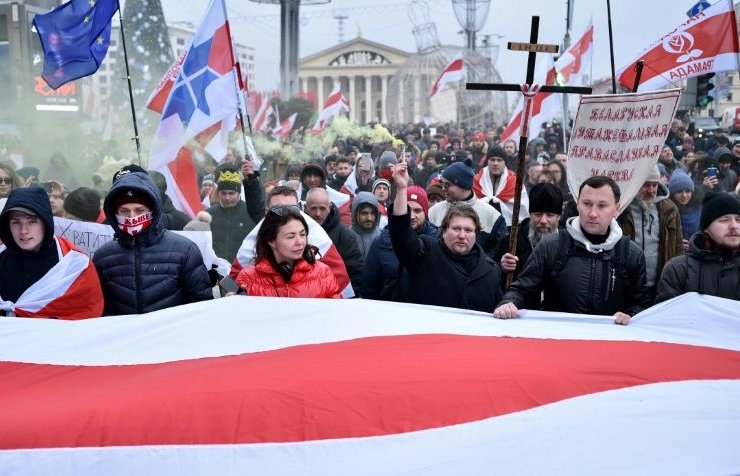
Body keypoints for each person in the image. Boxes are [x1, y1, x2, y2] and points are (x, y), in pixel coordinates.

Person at [493, 176, 650, 324]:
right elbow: (522, 289)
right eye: (587, 204)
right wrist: (509, 302)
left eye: (602, 206)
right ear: (577, 204)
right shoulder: (553, 246)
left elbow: (642, 304)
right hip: (559, 342)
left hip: (609, 343)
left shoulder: (631, 254)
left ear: (616, 208)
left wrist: (631, 315)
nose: (593, 213)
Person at [93, 166, 213, 315]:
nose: (131, 217)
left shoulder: (185, 250)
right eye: (124, 211)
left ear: (152, 210)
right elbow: (99, 309)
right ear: (114, 213)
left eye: (139, 210)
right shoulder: (102, 257)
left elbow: (201, 306)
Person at [388, 162, 503, 312]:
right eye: (456, 228)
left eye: (468, 230)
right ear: (443, 230)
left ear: (476, 233)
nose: (462, 235)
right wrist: (402, 189)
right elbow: (402, 235)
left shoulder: (490, 270)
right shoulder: (426, 253)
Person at [0, 187, 103, 318]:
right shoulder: (2, 257)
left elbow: (87, 313)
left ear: (45, 221)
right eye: (16, 222)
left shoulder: (75, 265)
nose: (23, 231)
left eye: (32, 221)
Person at [235, 205, 341, 298]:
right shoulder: (247, 277)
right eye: (291, 237)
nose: (300, 242)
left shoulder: (323, 273)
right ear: (271, 241)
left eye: (303, 234)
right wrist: (231, 306)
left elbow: (336, 315)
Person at [656, 192, 740, 302]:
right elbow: (667, 316)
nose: (734, 226)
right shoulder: (679, 270)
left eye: (738, 220)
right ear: (706, 227)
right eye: (724, 220)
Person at [617, 166, 683, 299]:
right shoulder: (620, 209)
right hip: (625, 286)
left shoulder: (669, 209)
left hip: (659, 287)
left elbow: (678, 248)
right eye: (646, 185)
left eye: (655, 185)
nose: (651, 190)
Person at [363, 185, 438, 300]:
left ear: (426, 213)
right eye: (407, 210)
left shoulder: (438, 240)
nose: (412, 216)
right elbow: (370, 287)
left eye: (417, 211)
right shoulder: (381, 242)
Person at [428, 161, 506, 252]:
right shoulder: (433, 212)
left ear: (463, 186)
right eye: (442, 184)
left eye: (447, 185)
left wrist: (479, 263)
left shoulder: (492, 216)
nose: (443, 189)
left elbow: (498, 252)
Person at [494, 182, 562, 284]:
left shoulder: (569, 243)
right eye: (538, 214)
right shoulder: (510, 239)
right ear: (530, 215)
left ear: (558, 217)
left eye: (550, 215)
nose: (543, 220)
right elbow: (490, 278)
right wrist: (500, 267)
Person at [305, 187, 364, 292]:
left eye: (322, 208)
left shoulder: (345, 235)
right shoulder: (297, 233)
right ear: (305, 208)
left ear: (329, 207)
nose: (318, 214)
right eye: (313, 208)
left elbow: (355, 274)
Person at [207, 161, 264, 262]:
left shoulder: (251, 212)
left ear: (238, 192)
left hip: (242, 269)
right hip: (216, 270)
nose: (227, 197)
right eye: (223, 193)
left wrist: (251, 178)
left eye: (231, 193)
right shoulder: (209, 214)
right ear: (218, 192)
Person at [668, 170, 702, 247]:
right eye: (679, 191)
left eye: (687, 191)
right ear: (672, 194)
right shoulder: (668, 212)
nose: (684, 195)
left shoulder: (699, 208)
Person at [350, 191, 382, 260]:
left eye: (372, 213)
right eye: (364, 213)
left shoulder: (382, 237)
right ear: (355, 213)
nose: (369, 218)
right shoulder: (347, 237)